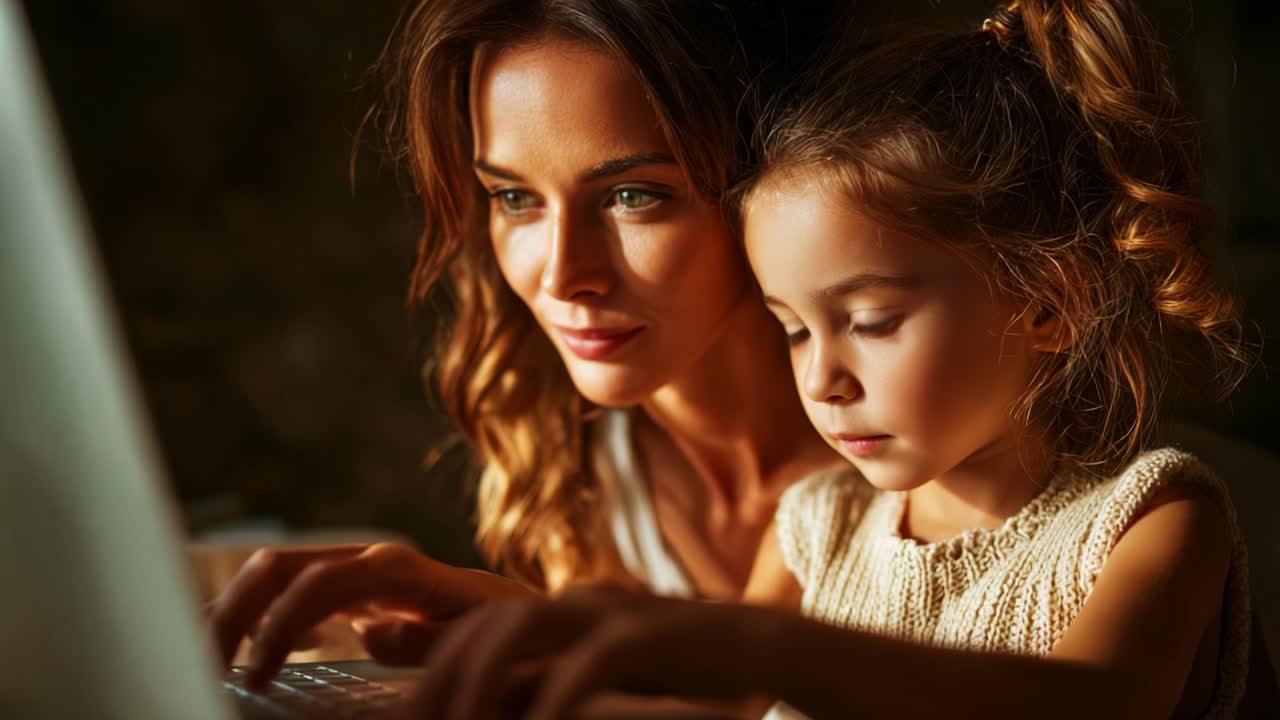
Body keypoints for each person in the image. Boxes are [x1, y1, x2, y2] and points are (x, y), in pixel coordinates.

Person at [399, 1, 1260, 718]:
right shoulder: (820, 526)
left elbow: (1090, 705)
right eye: (794, 329)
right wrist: (532, 624)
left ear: (1050, 302)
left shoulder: (1154, 519)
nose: (821, 379)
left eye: (875, 322)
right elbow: (708, 699)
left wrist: (759, 646)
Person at [205, 0, 846, 687]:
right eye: (514, 198)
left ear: (776, 174)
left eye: (633, 195)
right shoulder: (576, 458)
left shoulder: (915, 458)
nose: (563, 274)